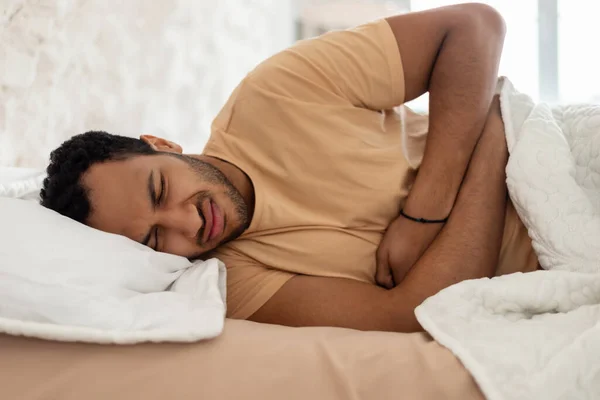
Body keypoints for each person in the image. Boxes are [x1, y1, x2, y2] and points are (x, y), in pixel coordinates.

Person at [40, 4, 539, 333]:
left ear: (163, 144)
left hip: (547, 162)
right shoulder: (235, 282)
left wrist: (425, 211)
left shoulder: (276, 91)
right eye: (154, 239)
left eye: (159, 190)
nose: (186, 223)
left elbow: (474, 26)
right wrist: (491, 147)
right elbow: (413, 314)